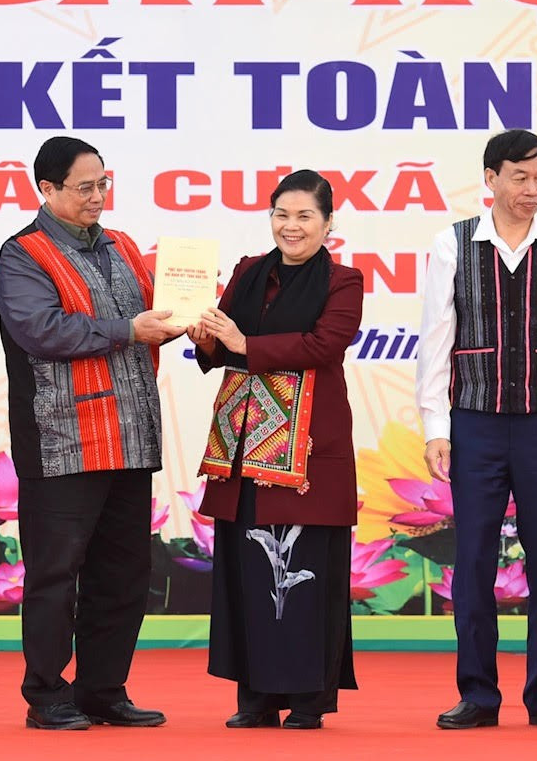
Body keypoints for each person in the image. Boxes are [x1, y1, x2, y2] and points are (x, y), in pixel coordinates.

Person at [415, 129, 537, 730]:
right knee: (474, 558)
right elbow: (434, 341)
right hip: (474, 424)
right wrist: (435, 425)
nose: (533, 190)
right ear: (491, 179)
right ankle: (477, 692)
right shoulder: (451, 245)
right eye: (520, 177)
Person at [0, 135, 181, 731]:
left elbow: (155, 314)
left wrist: (189, 317)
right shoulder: (23, 254)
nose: (98, 196)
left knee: (123, 575)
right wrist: (130, 328)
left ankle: (104, 688)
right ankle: (47, 693)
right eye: (84, 187)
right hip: (63, 441)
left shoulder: (124, 245)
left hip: (130, 438)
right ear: (46, 190)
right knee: (54, 575)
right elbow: (42, 331)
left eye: (102, 184)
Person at [187, 169, 363, 730]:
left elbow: (324, 344)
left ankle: (308, 698)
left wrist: (245, 344)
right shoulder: (246, 272)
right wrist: (208, 337)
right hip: (245, 443)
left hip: (308, 450)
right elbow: (223, 344)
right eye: (281, 215)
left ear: (328, 223)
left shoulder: (344, 282)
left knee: (308, 574)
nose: (291, 226)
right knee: (248, 569)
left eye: (305, 216)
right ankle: (256, 696)